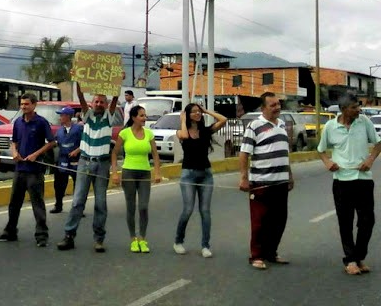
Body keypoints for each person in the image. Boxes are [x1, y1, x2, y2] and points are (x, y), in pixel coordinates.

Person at [317, 94, 381, 275]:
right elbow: (321, 150)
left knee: (367, 221)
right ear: (344, 109)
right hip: (341, 182)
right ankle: (350, 260)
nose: (358, 110)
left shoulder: (364, 122)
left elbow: (378, 143)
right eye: (354, 107)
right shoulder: (331, 126)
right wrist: (328, 162)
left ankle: (359, 255)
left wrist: (370, 159)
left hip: (363, 179)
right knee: (345, 222)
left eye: (358, 106)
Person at [57, 83, 119, 253]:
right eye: (96, 101)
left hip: (102, 164)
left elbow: (115, 98)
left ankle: (99, 239)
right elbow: (81, 96)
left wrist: (117, 83)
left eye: (102, 102)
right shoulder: (87, 116)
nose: (99, 104)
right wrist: (77, 80)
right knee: (77, 201)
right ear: (91, 104)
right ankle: (69, 235)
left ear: (106, 105)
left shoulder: (109, 117)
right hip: (84, 162)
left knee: (100, 203)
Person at [239, 92, 294, 270]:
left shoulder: (282, 125)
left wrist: (290, 176)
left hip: (281, 183)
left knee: (279, 221)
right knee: (259, 222)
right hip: (261, 183)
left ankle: (271, 252)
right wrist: (244, 178)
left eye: (278, 104)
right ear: (263, 108)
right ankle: (256, 256)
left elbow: (284, 153)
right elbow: (244, 153)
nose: (277, 107)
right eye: (273, 105)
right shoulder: (254, 126)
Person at [0, 93, 56, 247]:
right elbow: (13, 142)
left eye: (26, 104)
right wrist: (14, 152)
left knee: (37, 204)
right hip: (20, 169)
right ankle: (10, 232)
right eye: (22, 104)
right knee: (14, 203)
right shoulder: (18, 122)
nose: (23, 107)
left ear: (34, 105)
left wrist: (36, 154)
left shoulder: (41, 122)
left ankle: (41, 236)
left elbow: (51, 142)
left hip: (35, 170)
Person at [173, 103, 227, 258]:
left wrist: (206, 111)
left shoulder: (205, 131)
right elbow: (183, 135)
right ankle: (178, 241)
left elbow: (223, 119)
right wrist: (183, 119)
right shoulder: (181, 131)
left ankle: (205, 245)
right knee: (188, 209)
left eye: (199, 112)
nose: (197, 114)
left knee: (205, 211)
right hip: (188, 174)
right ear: (188, 115)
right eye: (194, 112)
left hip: (205, 174)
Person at [110, 105, 161, 253]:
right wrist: (115, 172)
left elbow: (155, 154)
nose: (144, 118)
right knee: (131, 207)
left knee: (143, 207)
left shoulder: (149, 134)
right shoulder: (124, 133)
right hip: (129, 173)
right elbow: (114, 153)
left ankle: (142, 238)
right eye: (141, 116)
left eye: (145, 115)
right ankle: (133, 239)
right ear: (133, 118)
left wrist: (157, 172)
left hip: (144, 173)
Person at [50, 106, 82, 214]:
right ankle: (58, 205)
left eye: (62, 115)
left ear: (68, 116)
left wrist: (77, 151)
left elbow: (85, 142)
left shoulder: (78, 128)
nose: (60, 118)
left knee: (77, 185)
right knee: (59, 184)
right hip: (62, 160)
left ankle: (77, 208)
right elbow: (55, 142)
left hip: (75, 160)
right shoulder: (59, 131)